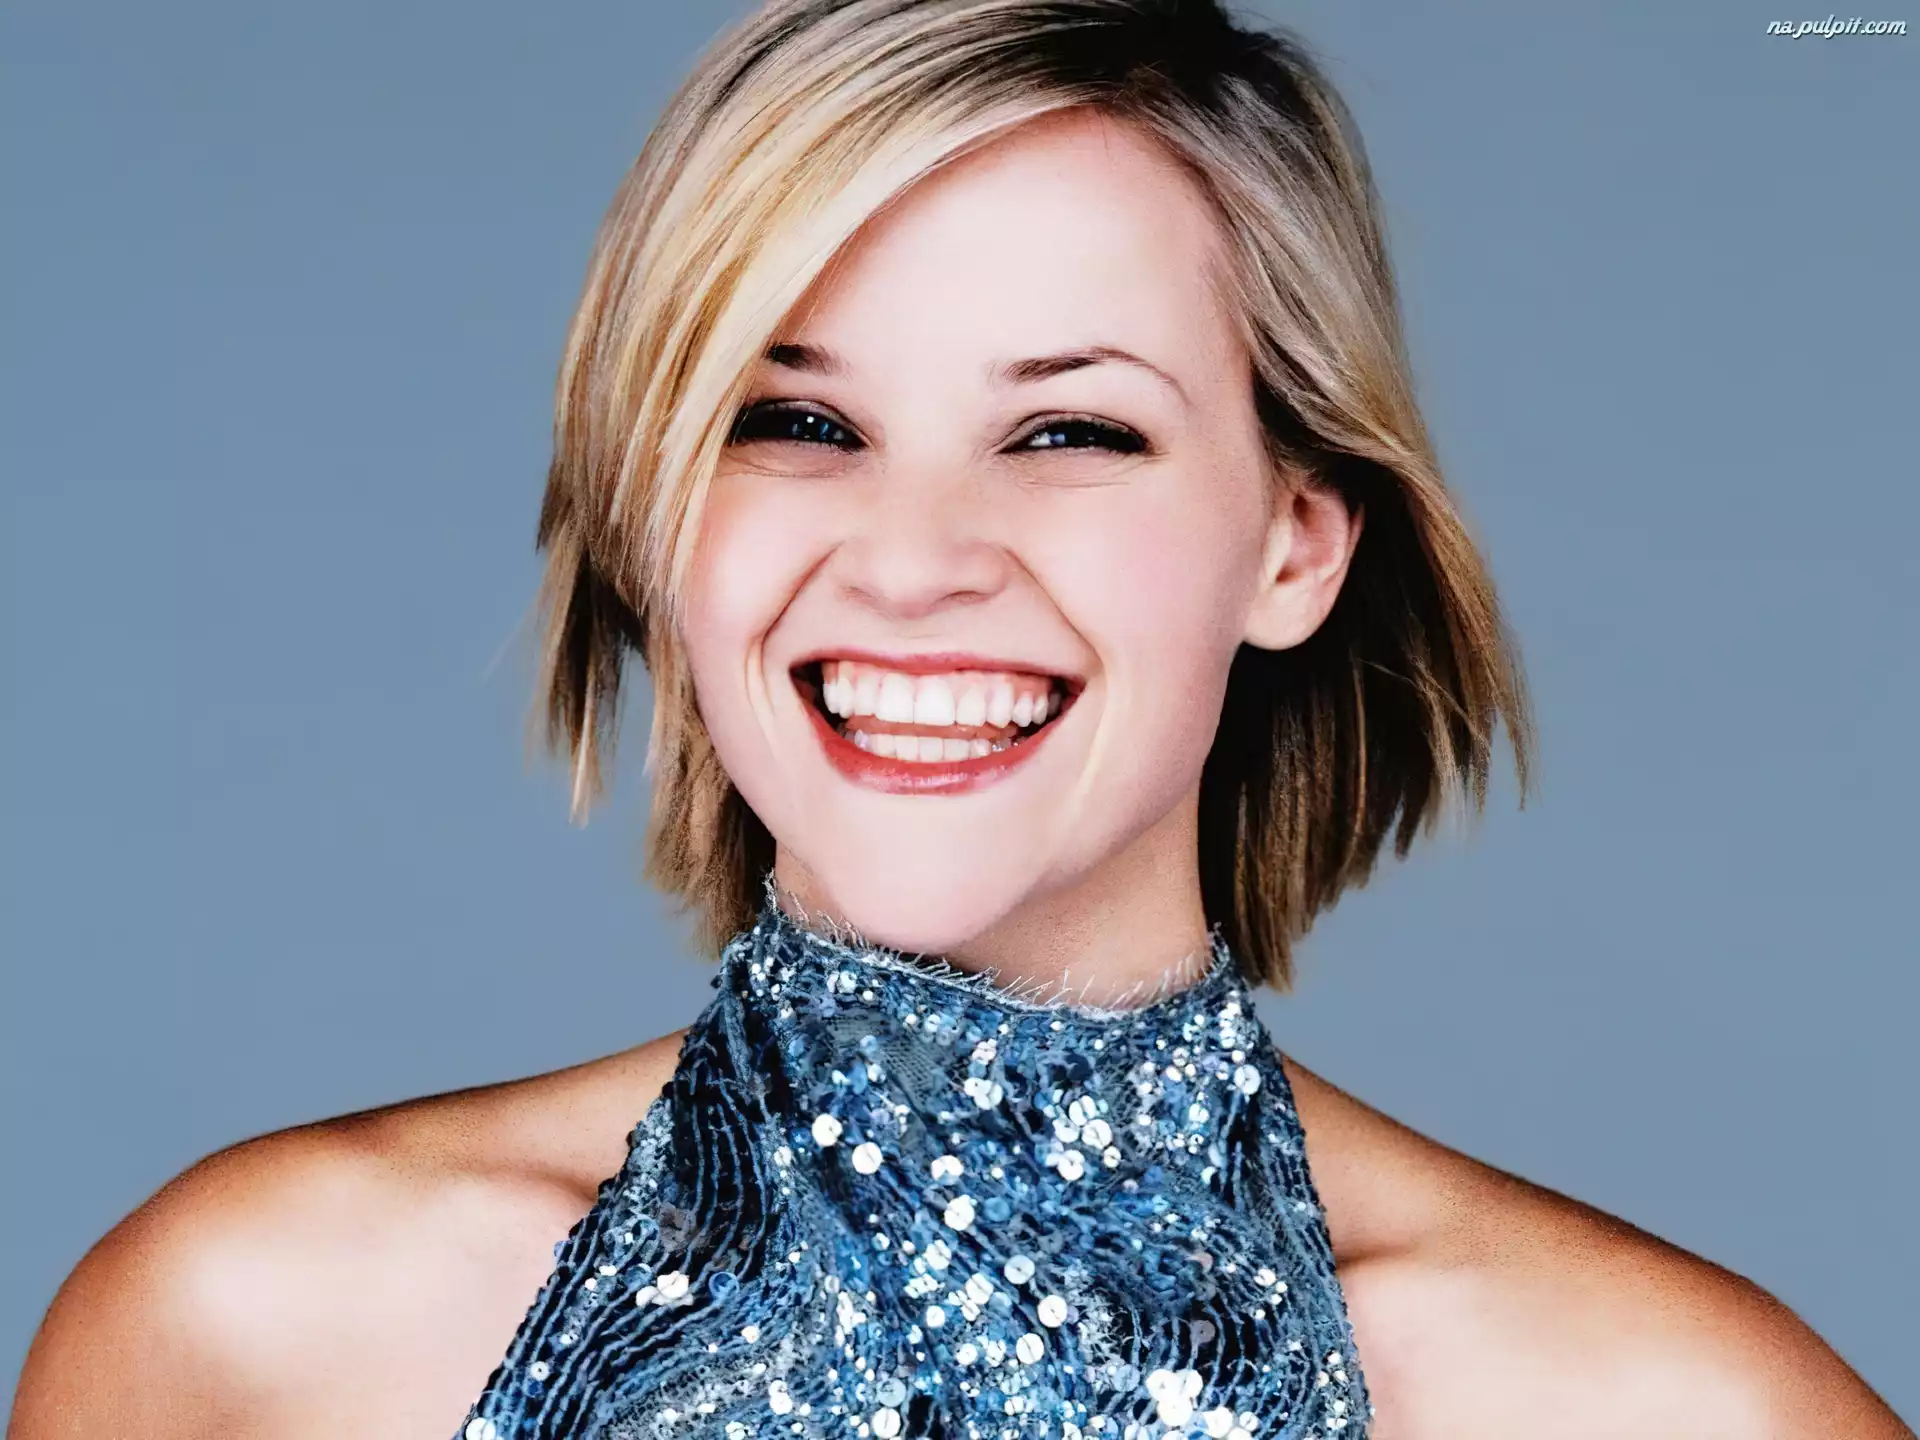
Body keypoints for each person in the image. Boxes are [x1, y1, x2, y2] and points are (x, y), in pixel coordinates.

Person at [11, 0, 1909, 1436]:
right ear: (659, 511)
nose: (915, 561)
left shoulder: (1665, 1408)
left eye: (1071, 430)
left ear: (1296, 542)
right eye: (798, 421)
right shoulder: (249, 1336)